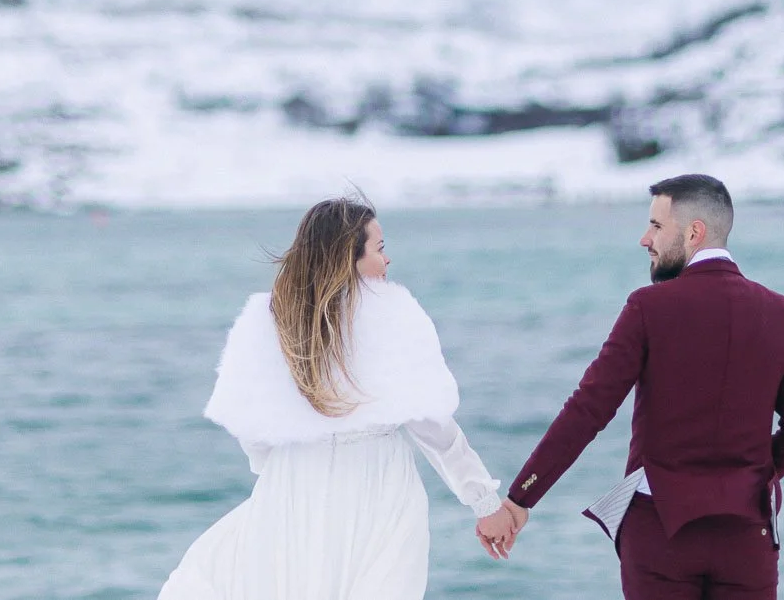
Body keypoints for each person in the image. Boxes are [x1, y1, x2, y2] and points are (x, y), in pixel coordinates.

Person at [160, 197, 522, 599]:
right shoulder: (392, 316)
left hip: (293, 490)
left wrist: (288, 473)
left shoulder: (268, 320)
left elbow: (252, 434)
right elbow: (433, 426)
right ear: (346, 257)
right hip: (379, 487)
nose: (387, 261)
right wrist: (484, 502)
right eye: (379, 249)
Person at [490, 174, 784, 599]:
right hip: (747, 534)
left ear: (694, 232)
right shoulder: (782, 313)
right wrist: (749, 480)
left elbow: (589, 409)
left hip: (660, 529)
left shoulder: (648, 307)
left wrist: (520, 499)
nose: (644, 238)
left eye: (656, 226)